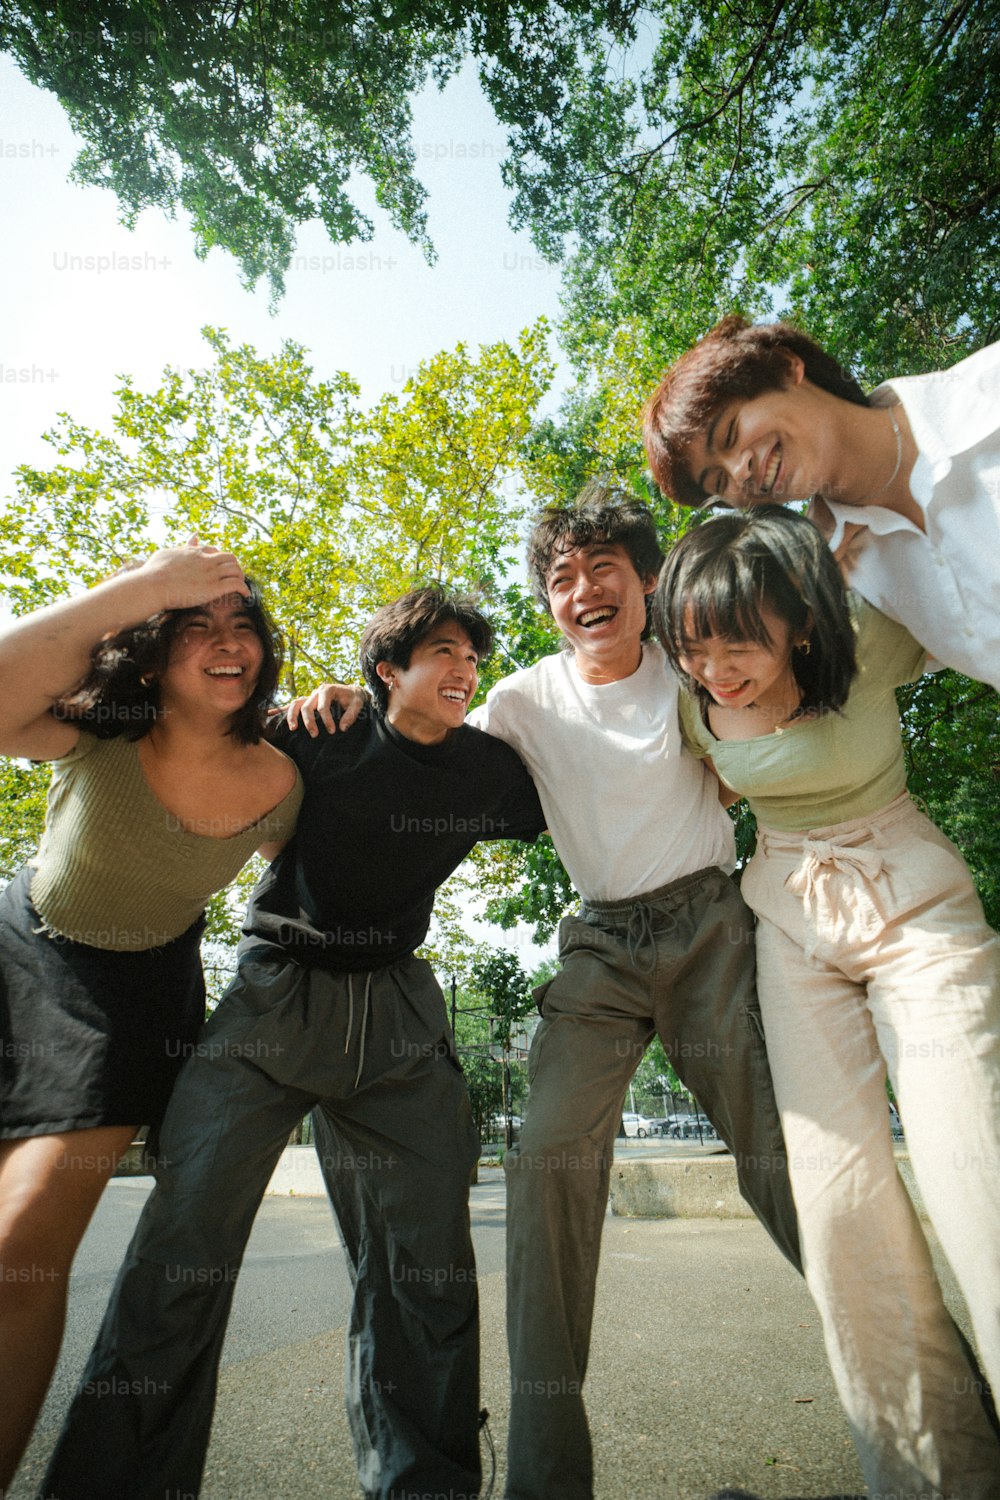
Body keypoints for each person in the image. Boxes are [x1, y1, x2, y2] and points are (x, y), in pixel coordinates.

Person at [291, 485, 802, 1500]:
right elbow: (422, 747)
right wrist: (349, 708)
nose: (582, 587)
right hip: (601, 946)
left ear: (647, 580)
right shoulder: (522, 700)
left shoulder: (695, 668)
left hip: (708, 927)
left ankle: (943, 1419)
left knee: (786, 1163)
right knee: (546, 1170)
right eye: (560, 576)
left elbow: (764, 762)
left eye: (602, 565)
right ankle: (544, 1481)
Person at [40, 585, 546, 1500]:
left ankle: (424, 1483)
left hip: (399, 1021)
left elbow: (594, 788)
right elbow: (212, 740)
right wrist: (321, 698)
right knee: (181, 1252)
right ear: (387, 670)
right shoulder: (315, 732)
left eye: (475, 657)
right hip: (276, 1001)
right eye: (444, 652)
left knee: (424, 1268)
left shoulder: (491, 771)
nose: (466, 669)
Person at [655, 504, 1000, 1499]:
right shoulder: (689, 706)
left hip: (911, 899)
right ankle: (931, 1480)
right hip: (792, 922)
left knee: (973, 1171)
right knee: (842, 1207)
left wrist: (874, 544)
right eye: (692, 645)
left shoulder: (861, 641)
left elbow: (968, 589)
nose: (714, 669)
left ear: (799, 623)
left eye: (737, 643)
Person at [0, 541, 303, 1492]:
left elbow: (367, 828)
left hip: (126, 1008)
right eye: (196, 624)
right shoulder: (98, 732)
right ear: (154, 649)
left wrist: (349, 703)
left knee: (19, 1253)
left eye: (243, 623)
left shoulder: (284, 784)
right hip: (17, 951)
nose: (226, 641)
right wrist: (138, 588)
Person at [642, 313, 1000, 691]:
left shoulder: (986, 394)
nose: (739, 470)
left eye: (730, 433)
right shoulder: (840, 566)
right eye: (718, 481)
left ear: (784, 367)